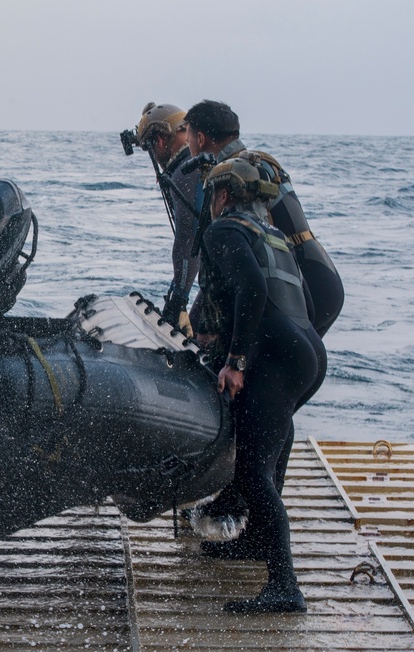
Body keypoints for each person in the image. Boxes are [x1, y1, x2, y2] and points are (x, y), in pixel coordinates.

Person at [192, 155, 325, 613]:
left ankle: (285, 586)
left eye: (212, 193)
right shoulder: (272, 235)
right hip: (306, 352)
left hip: (274, 359)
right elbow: (304, 298)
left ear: (224, 194)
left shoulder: (224, 230)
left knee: (252, 472)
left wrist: (236, 360)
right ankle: (256, 545)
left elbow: (251, 289)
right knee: (272, 455)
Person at [184, 100, 344, 338]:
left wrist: (205, 326)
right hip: (322, 277)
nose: (186, 143)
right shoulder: (260, 162)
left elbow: (247, 249)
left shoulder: (233, 176)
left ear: (200, 138)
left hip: (297, 285)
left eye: (187, 136)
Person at [134, 102, 200, 335]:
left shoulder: (185, 172)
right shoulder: (203, 163)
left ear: (160, 140)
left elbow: (187, 239)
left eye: (149, 147)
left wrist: (178, 301)